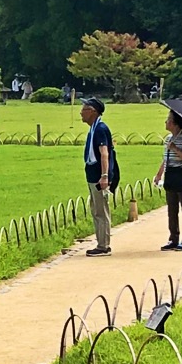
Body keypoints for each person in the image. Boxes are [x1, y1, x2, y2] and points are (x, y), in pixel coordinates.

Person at [80, 99, 119, 255]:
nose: (81, 112)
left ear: (93, 112)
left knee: (101, 211)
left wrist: (104, 176)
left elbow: (104, 153)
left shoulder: (100, 129)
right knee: (96, 209)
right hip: (92, 174)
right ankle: (101, 242)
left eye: (84, 109)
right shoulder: (93, 129)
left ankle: (103, 245)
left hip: (98, 176)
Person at [156, 109, 182, 251]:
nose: (166, 122)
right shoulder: (168, 138)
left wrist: (175, 149)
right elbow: (165, 159)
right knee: (171, 210)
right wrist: (159, 174)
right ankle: (173, 238)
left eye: (168, 120)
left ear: (174, 123)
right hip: (171, 175)